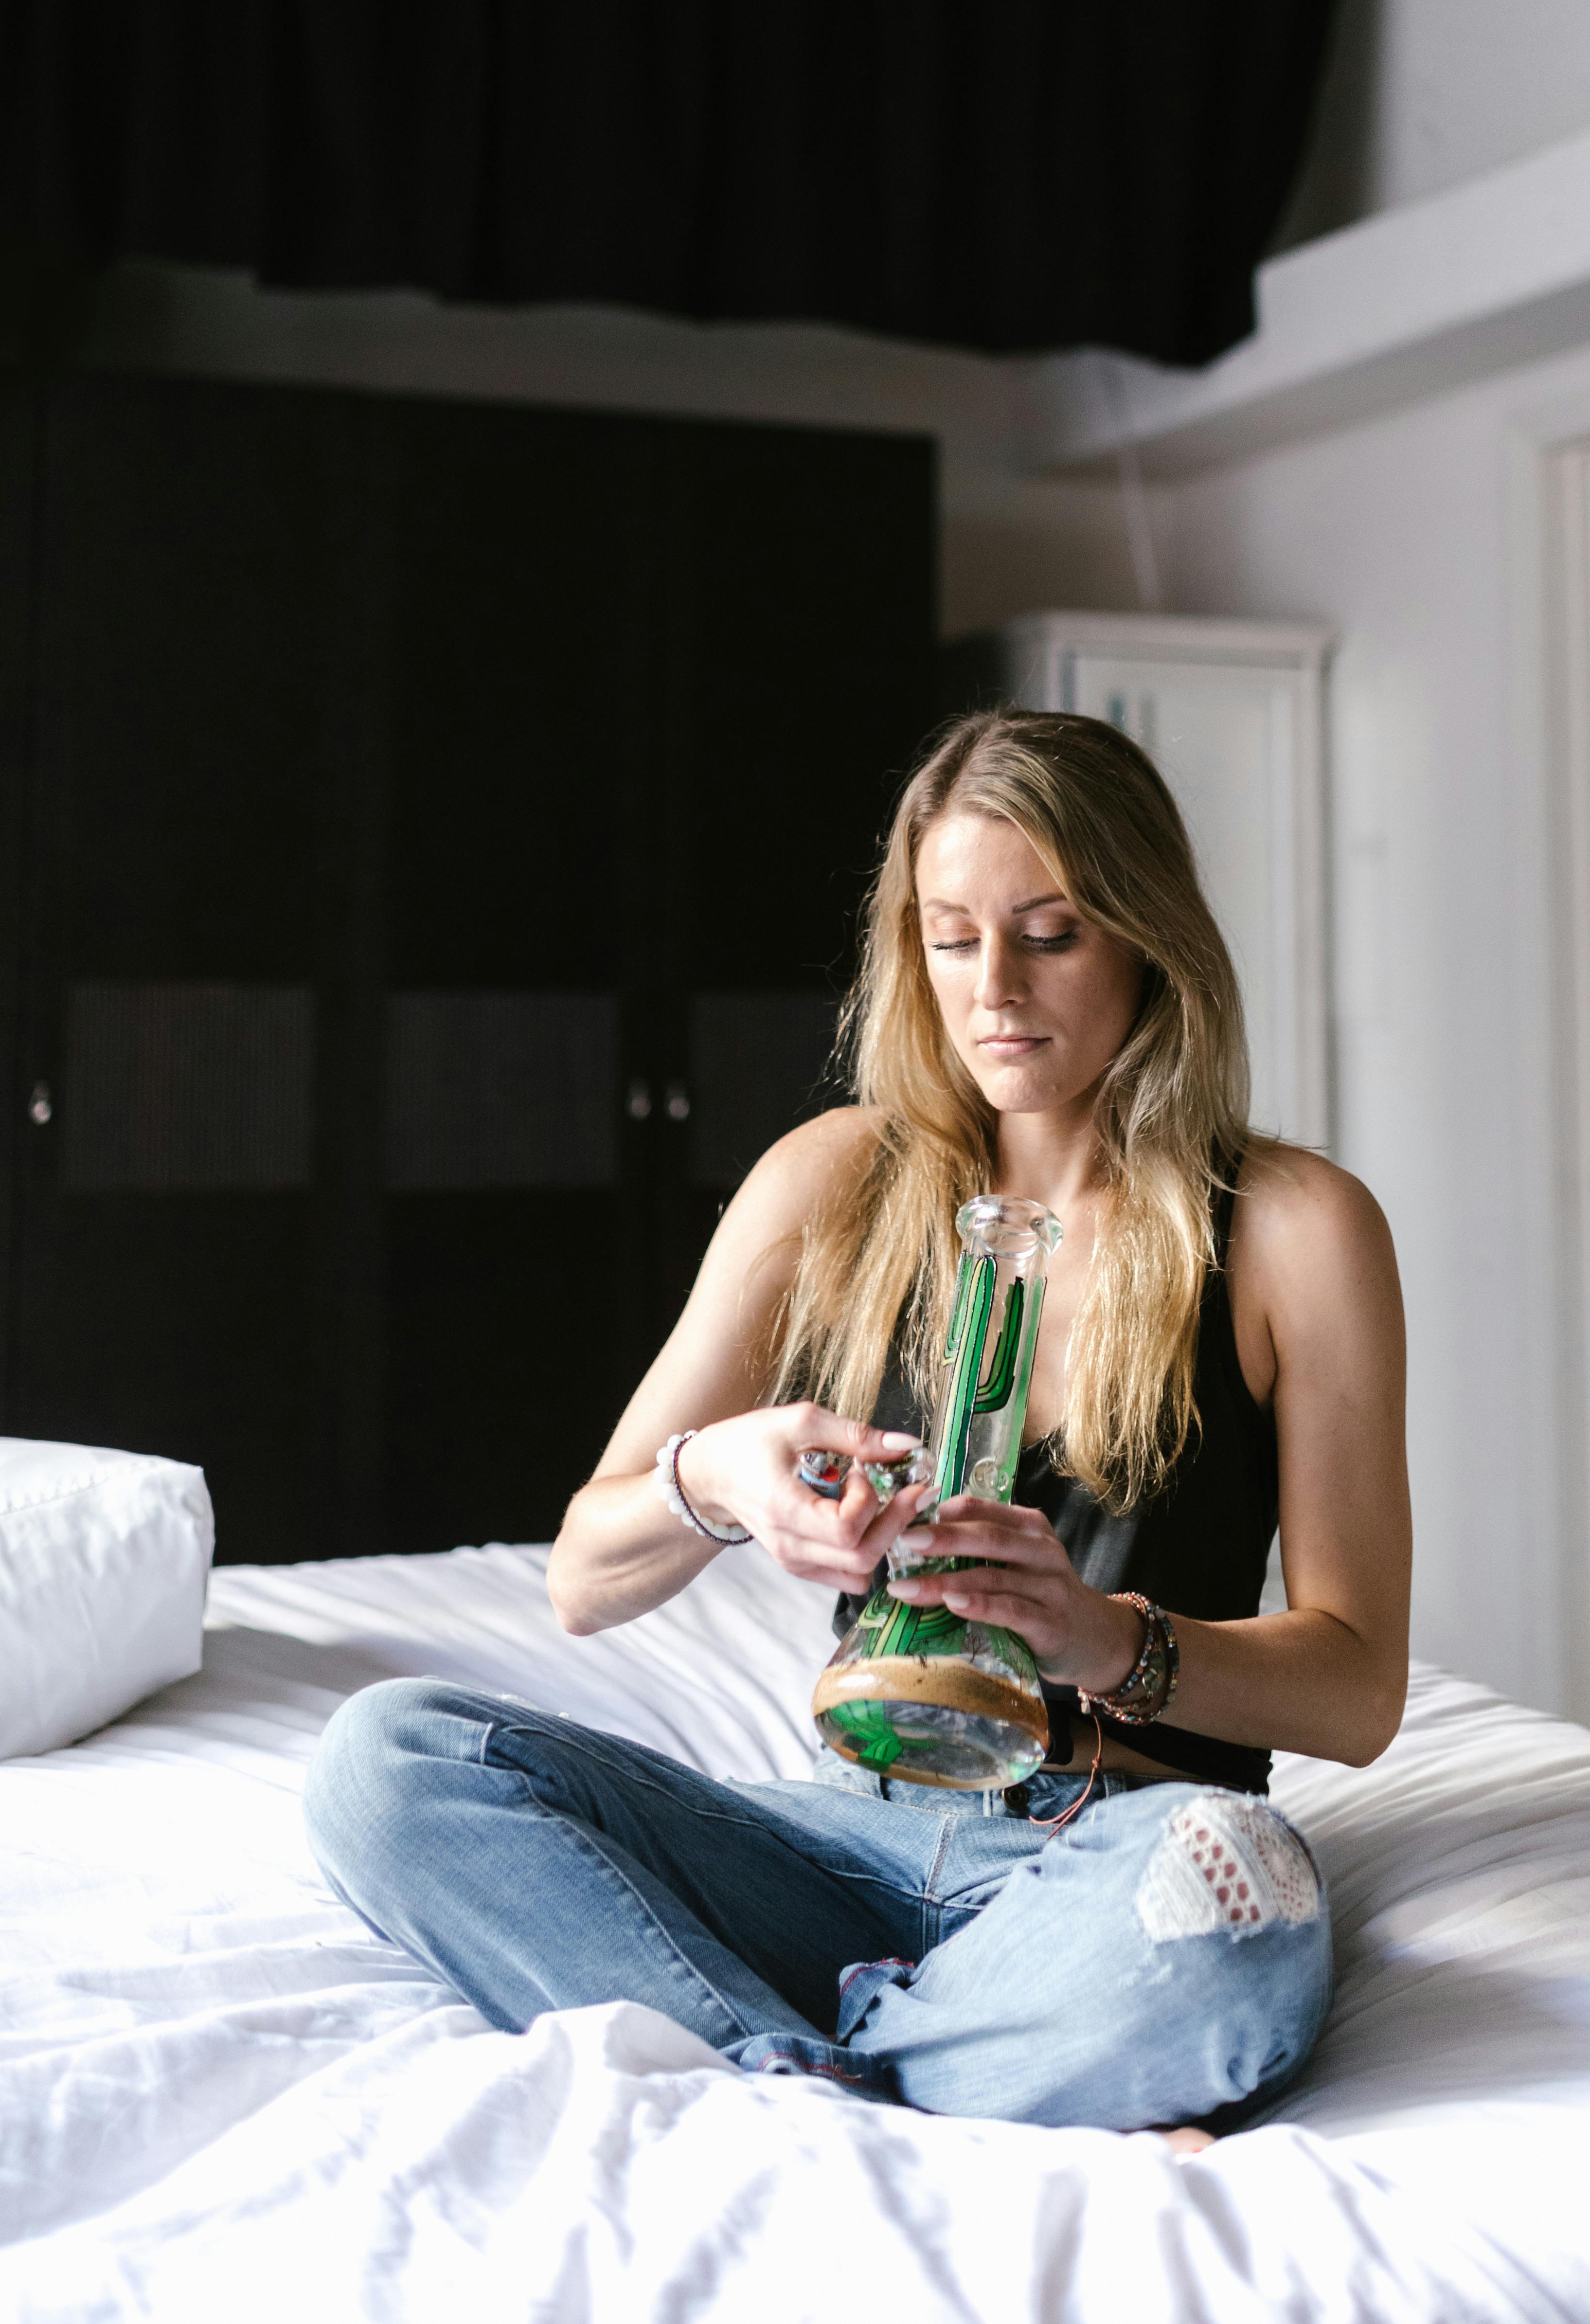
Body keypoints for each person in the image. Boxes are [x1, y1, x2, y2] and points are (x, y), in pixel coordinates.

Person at [305, 707, 1410, 2141]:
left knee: (1244, 1900)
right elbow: (583, 1575)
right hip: (843, 1833)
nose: (996, 987)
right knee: (388, 1763)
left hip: (1115, 1842)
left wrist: (1096, 1637)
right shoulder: (833, 1181)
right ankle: (897, 2082)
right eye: (953, 937)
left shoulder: (1292, 1230)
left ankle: (787, 2075)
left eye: (1051, 932)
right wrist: (719, 1480)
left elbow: (1356, 1691)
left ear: (1147, 935)